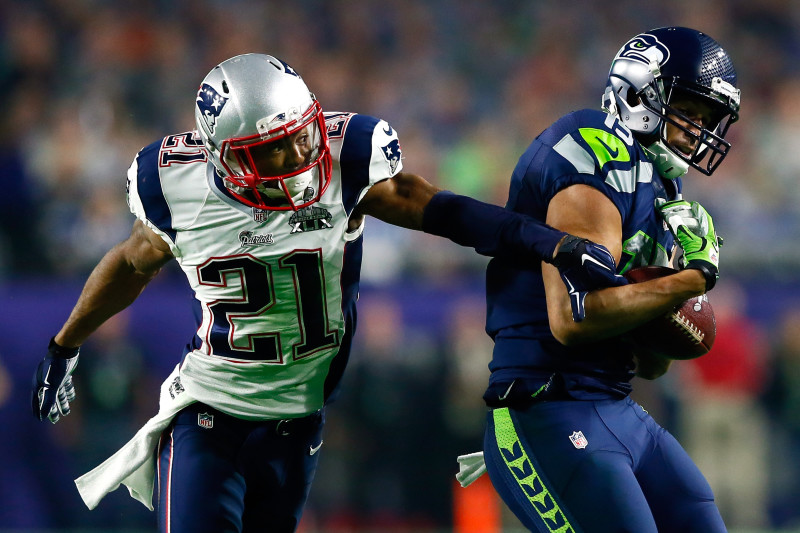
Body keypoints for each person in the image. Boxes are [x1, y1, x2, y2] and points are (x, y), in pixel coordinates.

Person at [30, 53, 622, 533]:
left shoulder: (347, 158)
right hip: (211, 410)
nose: (296, 159)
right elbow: (132, 263)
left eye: (299, 137)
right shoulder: (177, 186)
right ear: (223, 158)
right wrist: (65, 345)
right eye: (271, 150)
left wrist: (545, 241)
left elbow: (436, 209)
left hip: (299, 420)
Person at [476, 27, 740, 532]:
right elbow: (574, 319)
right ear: (643, 93)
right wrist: (690, 280)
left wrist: (675, 315)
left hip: (615, 406)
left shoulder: (662, 183)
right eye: (691, 110)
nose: (699, 130)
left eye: (708, 120)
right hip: (544, 409)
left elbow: (651, 366)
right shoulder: (594, 150)